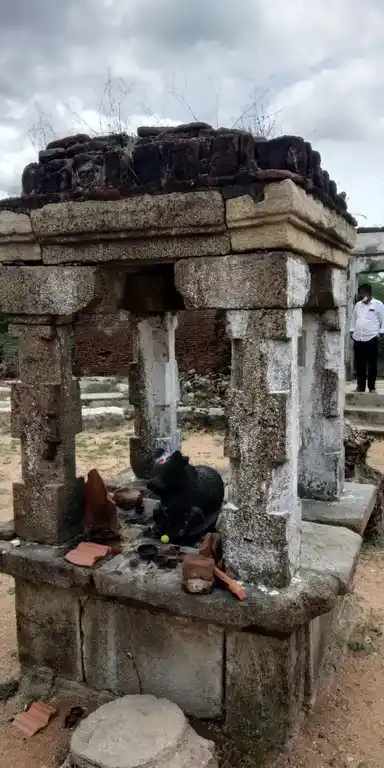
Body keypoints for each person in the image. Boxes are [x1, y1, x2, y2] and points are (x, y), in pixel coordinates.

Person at [350, 283, 384, 392]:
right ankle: (360, 387)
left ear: (368, 293)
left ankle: (372, 387)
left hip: (371, 338)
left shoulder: (378, 305)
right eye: (360, 294)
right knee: (360, 364)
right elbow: (353, 318)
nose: (361, 296)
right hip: (358, 339)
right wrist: (351, 330)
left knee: (371, 364)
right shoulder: (358, 305)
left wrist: (381, 332)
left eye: (362, 294)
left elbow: (383, 320)